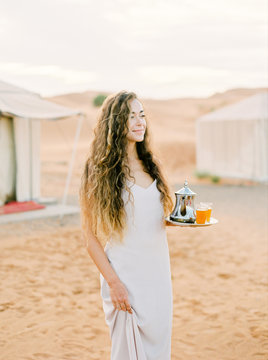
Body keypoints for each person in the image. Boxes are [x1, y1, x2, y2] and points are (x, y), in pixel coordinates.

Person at [79, 90, 176, 359]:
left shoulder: (151, 165)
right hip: (125, 279)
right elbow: (90, 239)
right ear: (115, 121)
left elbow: (149, 219)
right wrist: (114, 283)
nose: (139, 122)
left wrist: (179, 221)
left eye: (142, 115)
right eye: (131, 116)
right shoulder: (99, 171)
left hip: (158, 278)